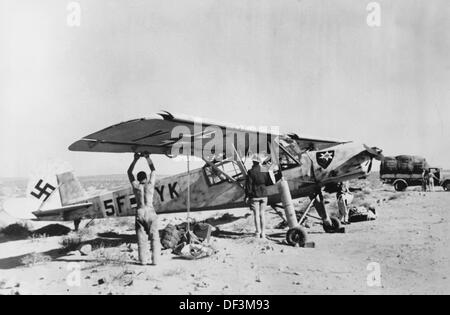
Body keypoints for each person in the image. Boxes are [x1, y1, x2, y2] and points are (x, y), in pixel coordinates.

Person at [128, 152, 160, 265]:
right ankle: (155, 261)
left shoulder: (136, 186)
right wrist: (147, 158)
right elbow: (153, 170)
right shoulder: (150, 184)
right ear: (146, 178)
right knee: (155, 237)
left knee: (141, 240)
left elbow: (129, 172)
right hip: (150, 211)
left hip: (140, 212)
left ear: (138, 179)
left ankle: (143, 261)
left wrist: (135, 160)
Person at [245, 155, 270, 239]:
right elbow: (267, 181)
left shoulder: (251, 172)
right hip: (264, 194)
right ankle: (263, 233)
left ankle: (257, 232)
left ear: (253, 162)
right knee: (262, 214)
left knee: (256, 214)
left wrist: (247, 196)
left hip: (255, 195)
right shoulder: (264, 170)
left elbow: (249, 185)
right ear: (259, 162)